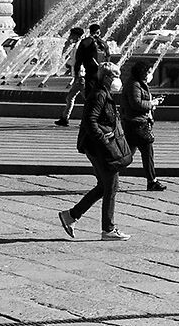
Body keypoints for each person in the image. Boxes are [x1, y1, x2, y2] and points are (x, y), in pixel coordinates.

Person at [59, 69, 130, 240]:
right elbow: (90, 120)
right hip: (100, 149)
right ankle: (108, 229)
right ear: (106, 78)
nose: (118, 79)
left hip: (96, 147)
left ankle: (71, 216)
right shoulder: (100, 95)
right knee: (111, 187)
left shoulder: (102, 93)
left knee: (103, 186)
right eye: (115, 76)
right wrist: (105, 141)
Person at [120, 58, 166, 191]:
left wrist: (152, 103)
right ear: (143, 72)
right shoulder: (134, 85)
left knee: (127, 155)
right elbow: (136, 104)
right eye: (149, 72)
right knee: (147, 153)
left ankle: (109, 175)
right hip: (137, 125)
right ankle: (152, 181)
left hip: (136, 123)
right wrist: (152, 104)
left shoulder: (139, 84)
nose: (151, 74)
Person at [57, 25, 96, 126]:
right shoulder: (77, 45)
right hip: (79, 76)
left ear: (77, 36)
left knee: (87, 99)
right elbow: (74, 61)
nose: (70, 37)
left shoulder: (80, 45)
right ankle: (65, 118)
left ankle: (90, 119)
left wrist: (78, 76)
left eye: (71, 35)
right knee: (72, 97)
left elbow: (80, 61)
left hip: (81, 77)